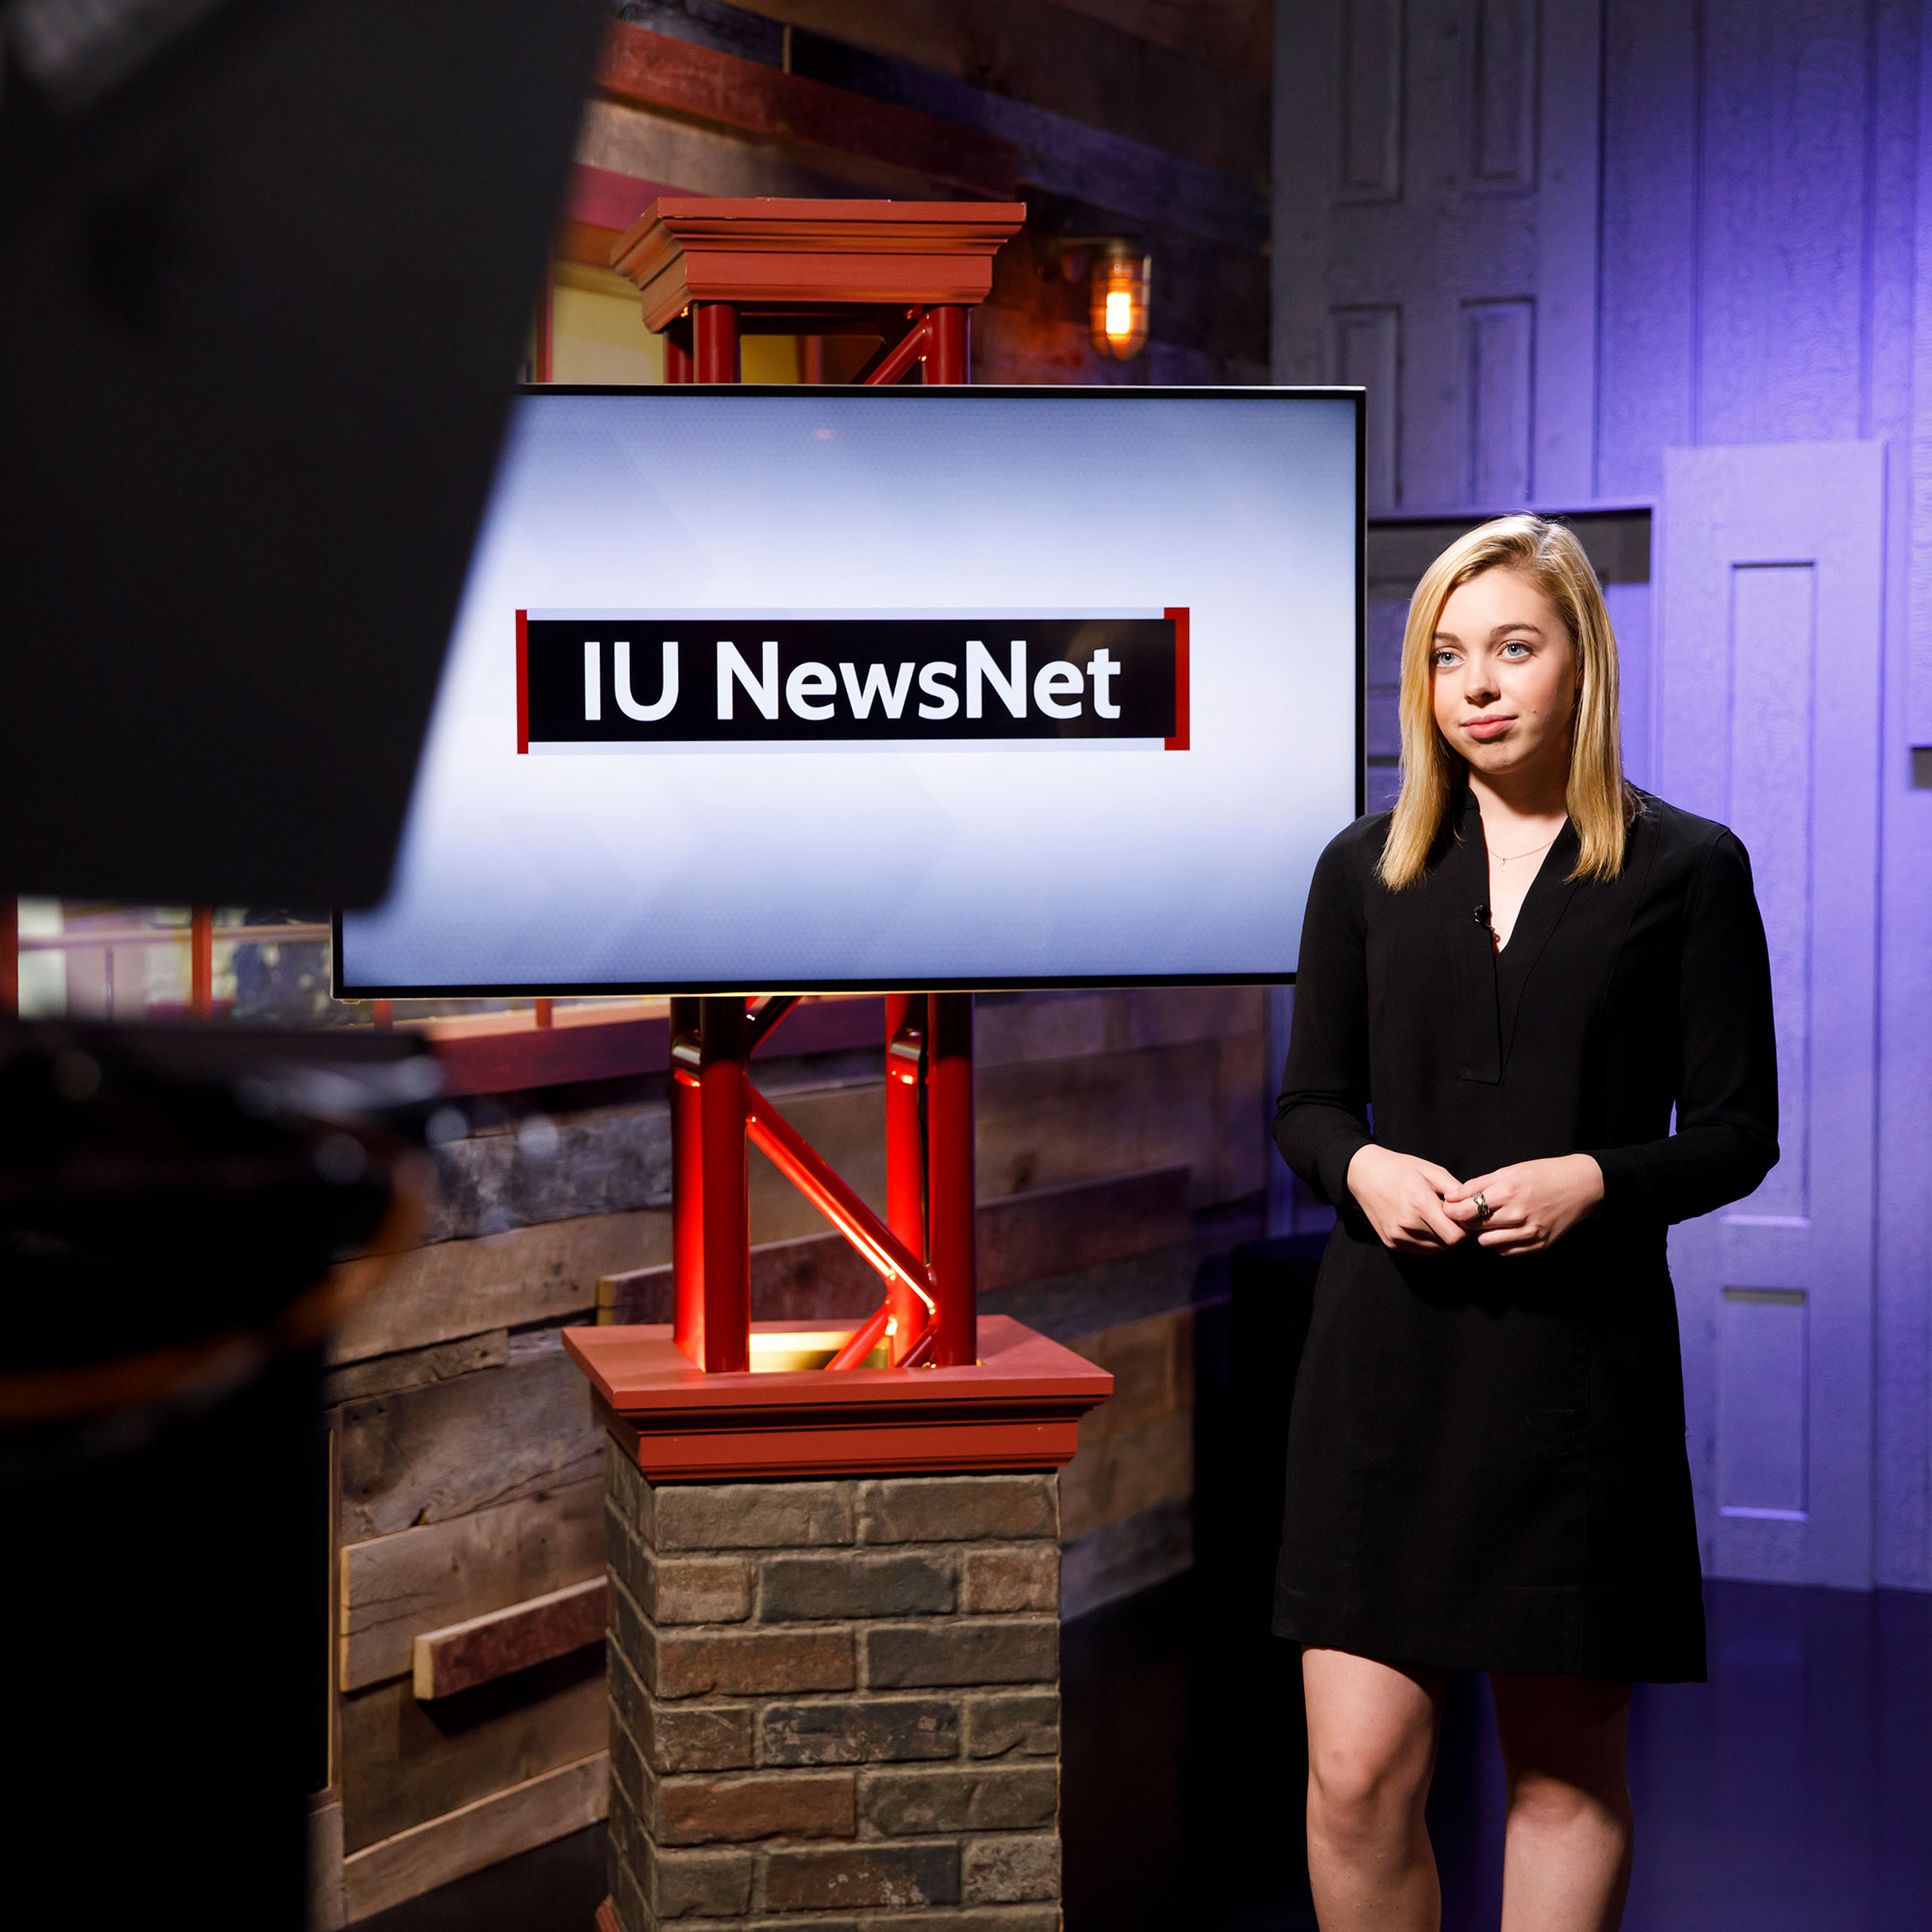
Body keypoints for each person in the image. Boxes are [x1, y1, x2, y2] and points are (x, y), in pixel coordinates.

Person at [1273, 514, 1777, 1932]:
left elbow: (1740, 1134)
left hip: (1577, 1384)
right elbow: (1309, 1105)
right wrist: (1365, 1172)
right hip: (1384, 1377)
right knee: (1357, 1775)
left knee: (1561, 1774)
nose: (1477, 683)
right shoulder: (1361, 869)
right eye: (1446, 655)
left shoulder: (1687, 869)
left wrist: (1596, 1181)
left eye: (1512, 647)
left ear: (1581, 664)